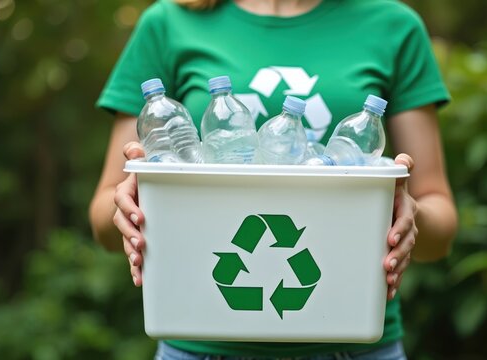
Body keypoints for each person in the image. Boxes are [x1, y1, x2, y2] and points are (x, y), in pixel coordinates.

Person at [89, 0, 458, 359]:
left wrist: (408, 218)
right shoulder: (168, 21)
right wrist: (129, 206)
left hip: (356, 343)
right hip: (196, 344)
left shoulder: (393, 24)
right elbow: (104, 222)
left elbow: (438, 227)